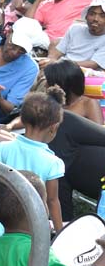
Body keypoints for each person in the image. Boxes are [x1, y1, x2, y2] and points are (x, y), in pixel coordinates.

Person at [0, 89, 65, 233]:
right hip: (32, 231)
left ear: (23, 120)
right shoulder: (53, 163)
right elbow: (52, 201)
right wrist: (60, 232)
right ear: (54, 128)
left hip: (0, 227)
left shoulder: (2, 149)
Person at [42, 61, 105, 219]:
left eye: (48, 83)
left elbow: (96, 135)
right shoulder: (49, 104)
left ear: (61, 85)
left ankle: (59, 220)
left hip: (86, 155)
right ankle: (60, 220)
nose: (45, 87)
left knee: (64, 125)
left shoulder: (87, 103)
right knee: (59, 163)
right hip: (70, 159)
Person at [40, 0, 105, 71]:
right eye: (92, 14)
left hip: (83, 73)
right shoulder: (75, 29)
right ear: (86, 16)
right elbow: (59, 51)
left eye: (102, 16)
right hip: (61, 67)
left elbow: (92, 64)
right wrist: (50, 60)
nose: (96, 19)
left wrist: (59, 64)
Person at [26, 0, 93, 42]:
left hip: (70, 40)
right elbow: (27, 21)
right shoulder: (45, 5)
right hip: (47, 39)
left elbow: (100, 4)